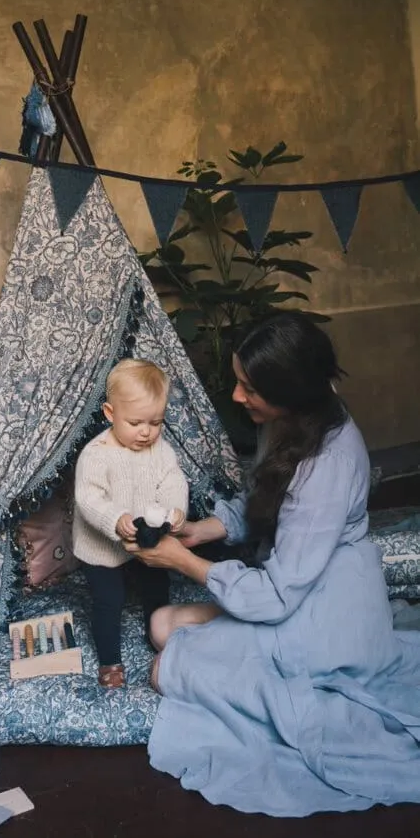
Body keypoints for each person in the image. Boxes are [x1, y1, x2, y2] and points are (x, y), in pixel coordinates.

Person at [124, 312, 420, 817]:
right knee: (160, 625)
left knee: (162, 667)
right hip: (298, 593)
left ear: (287, 391)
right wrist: (207, 530)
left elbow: (277, 597)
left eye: (248, 388)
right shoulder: (297, 419)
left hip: (318, 612)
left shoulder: (328, 463)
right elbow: (265, 495)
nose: (238, 397)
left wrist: (183, 560)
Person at [73, 358, 188, 689]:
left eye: (156, 422)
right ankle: (110, 660)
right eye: (136, 422)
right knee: (109, 600)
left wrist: (175, 509)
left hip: (145, 540)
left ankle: (163, 640)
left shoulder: (160, 450)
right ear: (110, 414)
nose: (146, 432)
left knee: (157, 586)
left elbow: (173, 481)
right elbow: (89, 498)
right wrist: (114, 518)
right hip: (103, 546)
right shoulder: (96, 454)